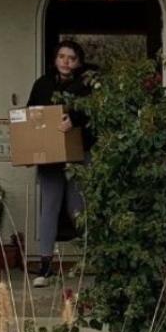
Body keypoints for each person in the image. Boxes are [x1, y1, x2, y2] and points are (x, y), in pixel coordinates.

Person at [26, 39, 95, 287]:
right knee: (49, 207)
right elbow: (31, 115)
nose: (66, 62)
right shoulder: (43, 84)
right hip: (49, 156)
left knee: (77, 207)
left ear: (78, 61)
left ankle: (92, 258)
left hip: (78, 154)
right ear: (55, 59)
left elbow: (93, 115)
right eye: (62, 56)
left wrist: (73, 120)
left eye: (71, 58)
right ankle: (45, 265)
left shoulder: (86, 85)